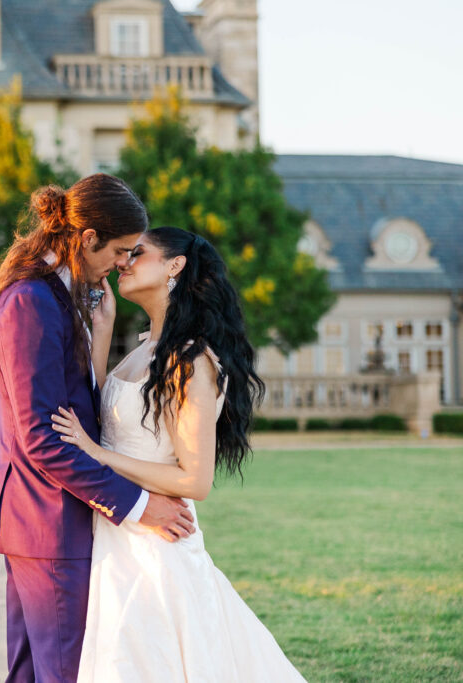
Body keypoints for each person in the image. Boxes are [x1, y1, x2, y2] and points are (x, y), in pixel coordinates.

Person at [50, 226, 306, 681]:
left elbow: (195, 480)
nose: (124, 261)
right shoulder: (145, 348)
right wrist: (103, 328)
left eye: (139, 253)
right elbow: (98, 412)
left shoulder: (191, 359)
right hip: (118, 538)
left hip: (157, 551)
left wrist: (97, 455)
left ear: (175, 265)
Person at [0, 175, 196, 682]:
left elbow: (77, 412)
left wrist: (100, 333)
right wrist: (142, 508)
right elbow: (43, 440)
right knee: (64, 674)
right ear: (88, 237)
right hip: (49, 521)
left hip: (45, 520)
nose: (124, 263)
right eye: (120, 250)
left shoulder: (58, 296)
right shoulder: (31, 301)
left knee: (34, 674)